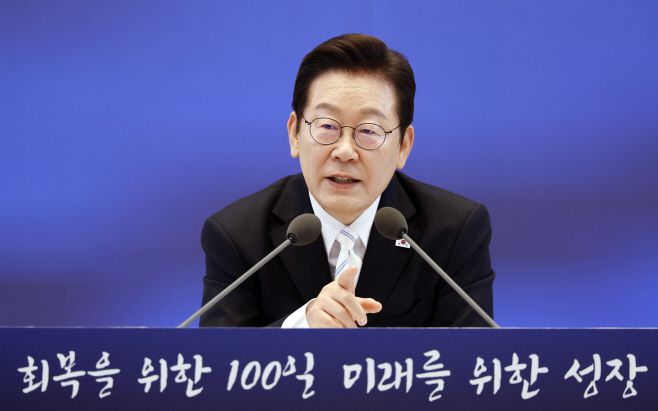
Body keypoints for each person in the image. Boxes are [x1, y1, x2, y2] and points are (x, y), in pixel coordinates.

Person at [199, 34, 494, 328]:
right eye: (327, 126)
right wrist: (303, 325)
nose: (344, 151)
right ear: (294, 134)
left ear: (403, 146)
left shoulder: (454, 231)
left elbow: (473, 352)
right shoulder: (237, 235)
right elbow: (217, 355)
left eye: (369, 130)